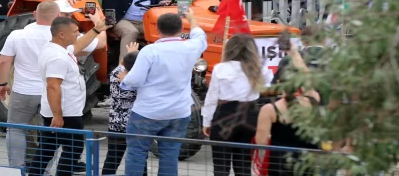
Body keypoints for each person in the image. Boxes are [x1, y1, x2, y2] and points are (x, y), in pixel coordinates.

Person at [0, 1, 104, 168]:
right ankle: (45, 171)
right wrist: (98, 22)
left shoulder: (17, 34)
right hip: (50, 94)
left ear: (34, 15)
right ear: (59, 16)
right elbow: (100, 43)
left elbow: (4, 62)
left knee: (16, 129)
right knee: (50, 134)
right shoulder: (63, 38)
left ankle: (16, 168)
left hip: (23, 91)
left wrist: (2, 84)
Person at [121, 10, 207, 176]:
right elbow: (200, 37)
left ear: (158, 30)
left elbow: (134, 81)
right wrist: (192, 18)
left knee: (136, 155)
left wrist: (124, 79)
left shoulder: (149, 51)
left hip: (147, 113)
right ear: (182, 29)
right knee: (170, 155)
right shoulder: (190, 47)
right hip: (179, 112)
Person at [27, 16, 111, 176]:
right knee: (73, 150)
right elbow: (53, 86)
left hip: (62, 111)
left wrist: (96, 29)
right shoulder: (57, 57)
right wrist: (58, 116)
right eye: (75, 32)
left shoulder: (59, 49)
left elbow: (79, 45)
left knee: (47, 150)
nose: (78, 34)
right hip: (65, 113)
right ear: (61, 34)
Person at [201, 34, 273, 176]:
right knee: (244, 164)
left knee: (221, 165)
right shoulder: (260, 70)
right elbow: (270, 87)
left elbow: (212, 98)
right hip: (250, 117)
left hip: (224, 115)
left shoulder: (220, 68)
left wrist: (207, 121)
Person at [255, 46, 320, 176]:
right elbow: (308, 80)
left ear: (279, 82)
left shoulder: (269, 110)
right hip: (307, 162)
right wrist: (294, 53)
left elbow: (260, 141)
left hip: (279, 164)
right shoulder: (312, 102)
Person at [101, 44, 142, 175]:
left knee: (113, 157)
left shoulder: (116, 73)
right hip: (135, 125)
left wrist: (130, 54)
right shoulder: (138, 81)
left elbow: (124, 64)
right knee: (139, 159)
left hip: (116, 124)